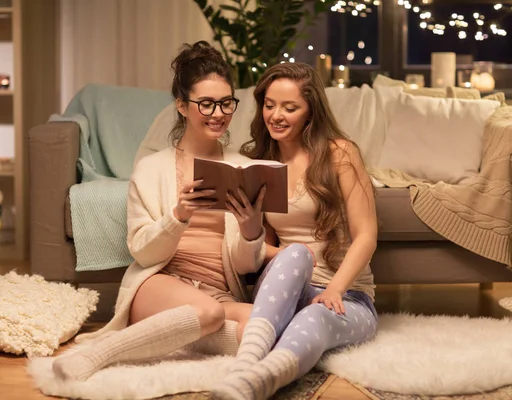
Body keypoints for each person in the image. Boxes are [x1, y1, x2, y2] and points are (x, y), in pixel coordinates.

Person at [51, 40, 270, 381]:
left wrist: (251, 229)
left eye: (227, 103)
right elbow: (141, 249)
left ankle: (174, 336)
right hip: (159, 284)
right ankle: (97, 354)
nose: (219, 114)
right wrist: (178, 216)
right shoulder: (152, 168)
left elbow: (245, 266)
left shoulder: (242, 168)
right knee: (208, 312)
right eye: (206, 104)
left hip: (220, 291)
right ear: (182, 106)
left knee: (264, 327)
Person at [211, 62, 379, 400]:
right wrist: (251, 230)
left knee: (316, 317)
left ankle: (259, 382)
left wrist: (334, 289)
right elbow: (262, 250)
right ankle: (244, 366)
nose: (276, 115)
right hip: (285, 289)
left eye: (290, 107)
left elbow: (366, 235)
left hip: (347, 297)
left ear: (310, 112)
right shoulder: (258, 162)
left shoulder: (339, 153)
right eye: (269, 105)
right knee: (297, 252)